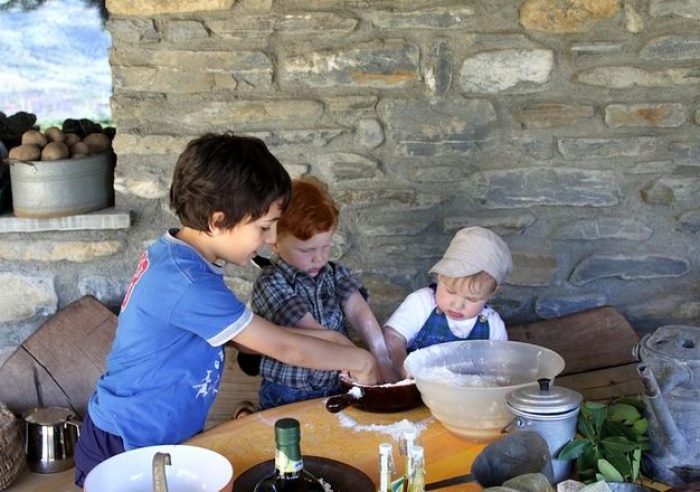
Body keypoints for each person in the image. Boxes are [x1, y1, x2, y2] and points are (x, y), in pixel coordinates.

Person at [73, 134, 379, 486]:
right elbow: (283, 347)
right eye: (264, 227)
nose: (270, 238)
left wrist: (327, 337)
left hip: (158, 434)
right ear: (218, 221)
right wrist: (360, 361)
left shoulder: (185, 257)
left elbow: (240, 334)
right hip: (127, 442)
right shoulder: (187, 281)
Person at [251, 176, 398, 410]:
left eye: (326, 246)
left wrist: (382, 356)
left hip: (334, 385)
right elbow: (311, 333)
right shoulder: (272, 282)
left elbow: (359, 312)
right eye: (306, 249)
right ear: (275, 243)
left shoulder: (333, 273)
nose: (319, 257)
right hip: (288, 394)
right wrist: (359, 361)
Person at [383, 226, 513, 378]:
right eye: (451, 291)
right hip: (416, 390)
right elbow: (392, 337)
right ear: (440, 276)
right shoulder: (421, 304)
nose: (457, 305)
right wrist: (401, 364)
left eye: (472, 298)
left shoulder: (492, 326)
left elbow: (501, 367)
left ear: (492, 293)